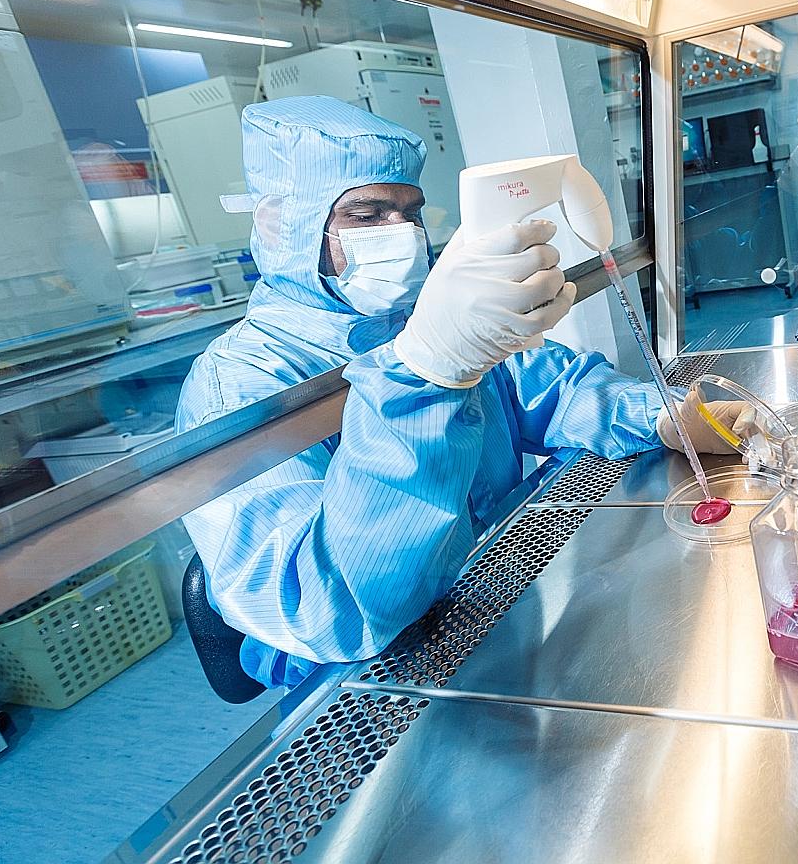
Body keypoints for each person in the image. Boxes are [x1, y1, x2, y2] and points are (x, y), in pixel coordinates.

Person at [177, 96, 741, 688]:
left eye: (409, 213)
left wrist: (662, 415)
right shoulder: (238, 385)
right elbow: (329, 610)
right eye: (367, 215)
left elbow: (551, 388)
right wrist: (425, 377)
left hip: (494, 593)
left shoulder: (422, 313)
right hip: (369, 680)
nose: (401, 235)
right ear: (280, 224)